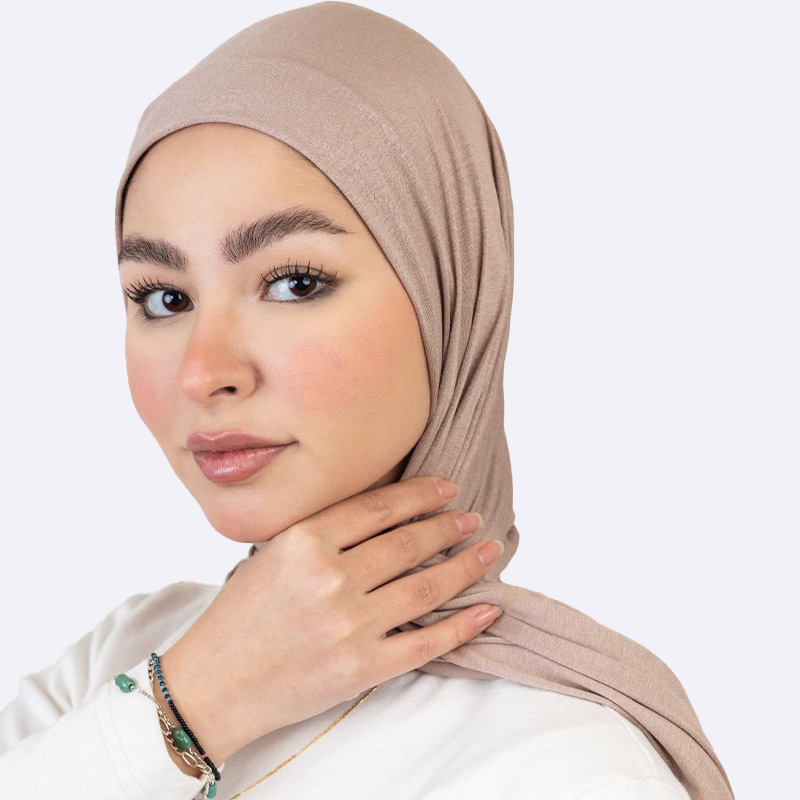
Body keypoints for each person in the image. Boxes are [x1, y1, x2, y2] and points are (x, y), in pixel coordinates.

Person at [0, 3, 734, 799]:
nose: (202, 373)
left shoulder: (564, 764)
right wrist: (193, 700)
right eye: (164, 298)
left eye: (294, 283)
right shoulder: (122, 659)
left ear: (449, 291)